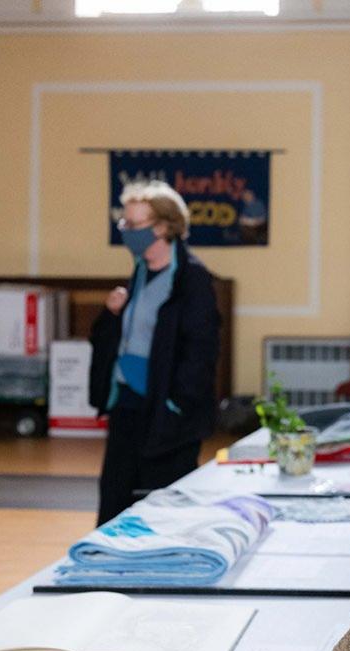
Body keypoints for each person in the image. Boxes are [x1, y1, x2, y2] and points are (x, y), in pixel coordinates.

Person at [89, 180, 220, 526]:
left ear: (163, 227)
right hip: (128, 408)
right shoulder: (140, 272)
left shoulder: (192, 279)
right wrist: (111, 314)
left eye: (135, 225)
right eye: (125, 224)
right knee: (114, 507)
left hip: (167, 416)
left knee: (161, 515)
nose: (127, 232)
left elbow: (201, 352)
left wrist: (176, 404)